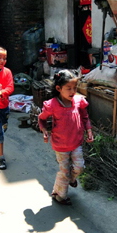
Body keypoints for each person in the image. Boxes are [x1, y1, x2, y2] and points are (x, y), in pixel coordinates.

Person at [38, 70, 94, 205]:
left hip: (76, 142)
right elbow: (42, 119)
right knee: (64, 172)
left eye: (75, 88)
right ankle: (60, 196)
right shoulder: (52, 105)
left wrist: (89, 130)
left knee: (79, 167)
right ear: (59, 88)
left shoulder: (79, 101)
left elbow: (85, 117)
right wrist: (44, 130)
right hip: (60, 145)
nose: (72, 91)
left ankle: (71, 179)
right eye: (68, 88)